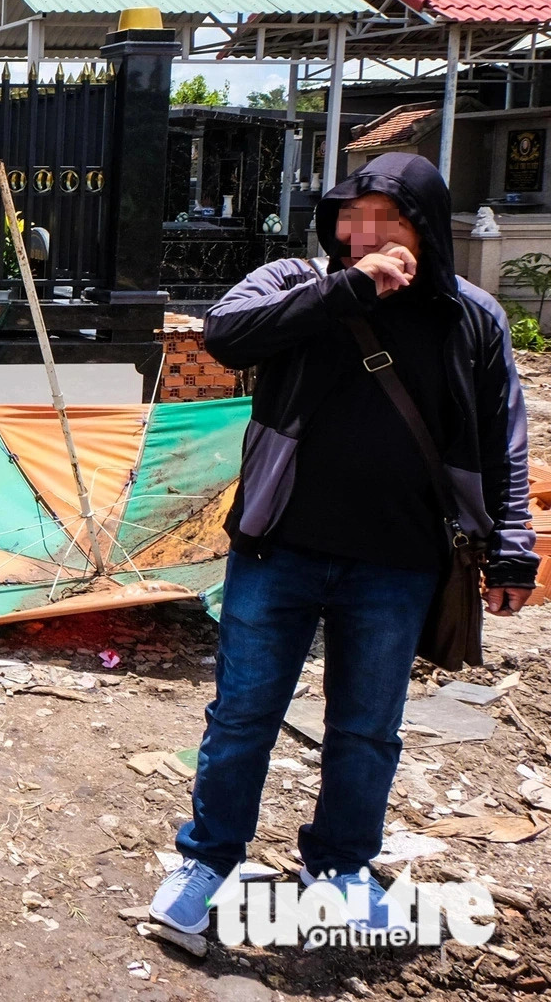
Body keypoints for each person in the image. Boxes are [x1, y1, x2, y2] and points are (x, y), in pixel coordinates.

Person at [149, 151, 538, 934]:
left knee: (366, 726)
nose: (364, 233)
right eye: (349, 216)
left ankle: (344, 865)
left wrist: (513, 543)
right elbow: (225, 336)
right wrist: (347, 289)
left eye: (386, 218)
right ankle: (209, 858)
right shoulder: (296, 283)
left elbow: (505, 438)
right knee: (243, 715)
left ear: (424, 226)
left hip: (397, 562)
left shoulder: (471, 316)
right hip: (278, 548)